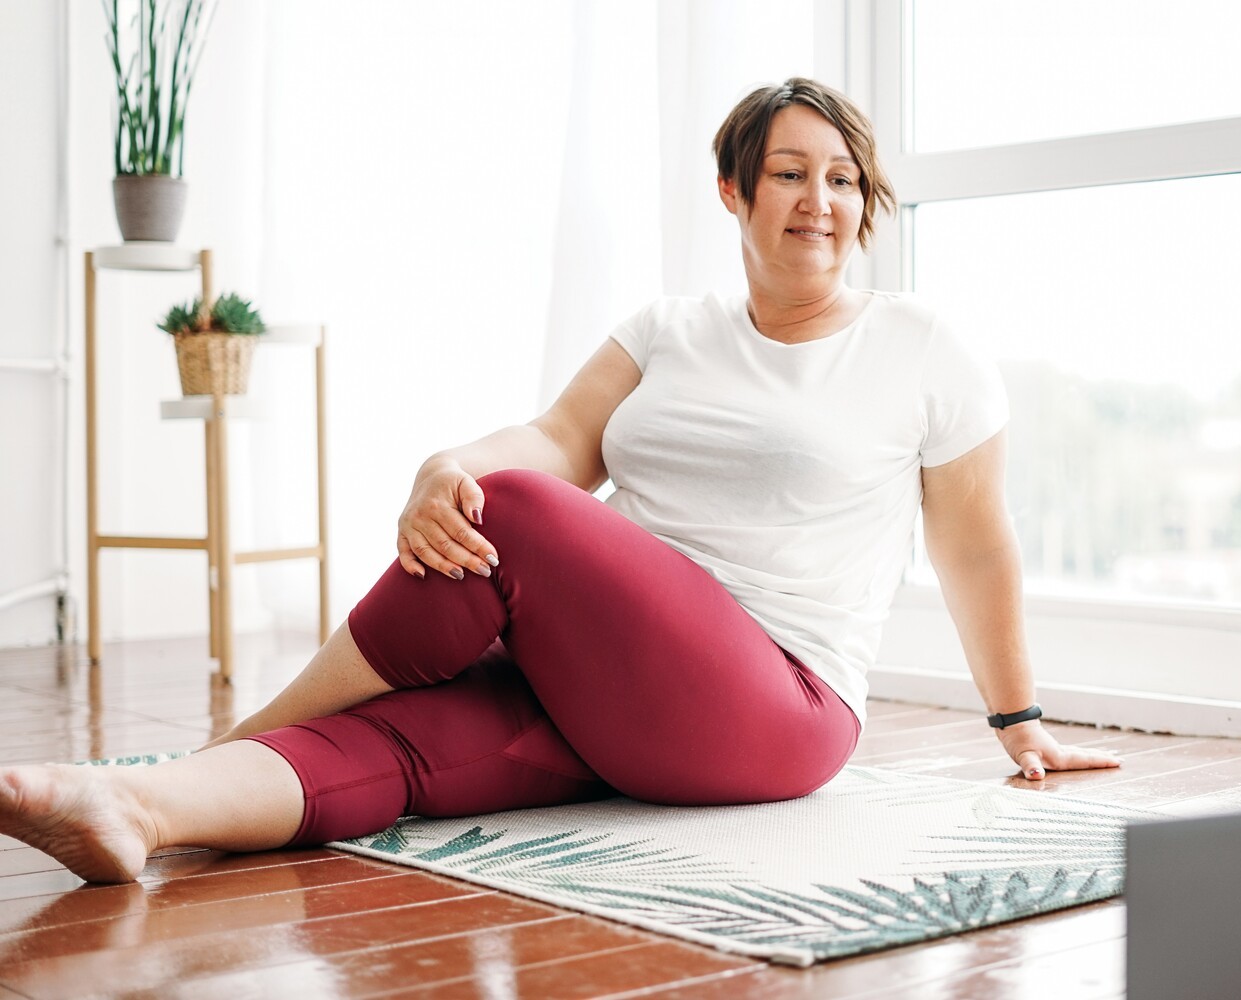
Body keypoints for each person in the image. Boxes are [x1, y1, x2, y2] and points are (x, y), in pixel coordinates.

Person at [0, 78, 1120, 884]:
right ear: (733, 190)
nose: (817, 199)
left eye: (841, 179)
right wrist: (448, 466)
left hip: (778, 706)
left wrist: (1016, 718)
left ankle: (225, 737)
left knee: (518, 512)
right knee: (400, 739)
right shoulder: (667, 331)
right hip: (607, 681)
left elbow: (975, 543)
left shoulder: (922, 346)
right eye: (788, 172)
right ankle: (137, 809)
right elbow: (553, 436)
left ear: (865, 205)